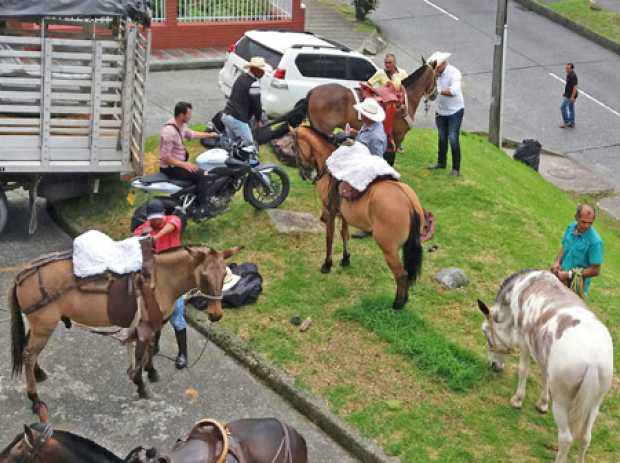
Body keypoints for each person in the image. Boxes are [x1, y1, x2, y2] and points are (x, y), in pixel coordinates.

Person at [133, 199, 190, 368]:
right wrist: (144, 236)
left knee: (177, 316)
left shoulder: (173, 221)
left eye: (158, 218)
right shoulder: (144, 228)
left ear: (163, 215)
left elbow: (173, 224)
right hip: (156, 278)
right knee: (155, 313)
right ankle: (155, 344)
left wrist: (155, 237)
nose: (156, 221)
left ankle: (183, 353)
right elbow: (136, 237)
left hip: (175, 280)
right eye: (153, 219)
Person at [159, 102, 218, 219]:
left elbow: (191, 134)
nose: (191, 116)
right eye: (189, 114)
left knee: (201, 170)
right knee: (203, 175)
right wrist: (184, 164)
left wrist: (209, 135)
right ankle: (202, 209)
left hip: (178, 165)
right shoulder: (169, 132)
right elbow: (165, 157)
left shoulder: (180, 125)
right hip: (171, 168)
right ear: (181, 115)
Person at [348, 98, 387, 239]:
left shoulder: (376, 137)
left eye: (363, 114)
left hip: (369, 170)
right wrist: (355, 134)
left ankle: (368, 226)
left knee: (364, 200)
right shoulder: (368, 126)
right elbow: (364, 138)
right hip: (361, 164)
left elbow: (376, 159)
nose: (361, 115)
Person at [551, 204, 603, 297]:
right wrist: (557, 262)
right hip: (559, 276)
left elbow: (596, 270)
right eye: (583, 222)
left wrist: (569, 274)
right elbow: (565, 246)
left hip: (575, 288)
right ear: (576, 217)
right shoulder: (570, 227)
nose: (587, 226)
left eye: (590, 223)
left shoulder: (595, 242)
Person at [426, 51, 464, 177]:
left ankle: (456, 169)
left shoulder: (454, 73)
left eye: (435, 66)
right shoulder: (434, 74)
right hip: (441, 110)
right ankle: (441, 162)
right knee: (442, 137)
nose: (434, 69)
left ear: (442, 64)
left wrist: (437, 90)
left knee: (453, 138)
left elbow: (454, 91)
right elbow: (430, 94)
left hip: (455, 111)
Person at [222, 56, 266, 146]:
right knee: (249, 144)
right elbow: (257, 104)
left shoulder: (241, 77)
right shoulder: (254, 84)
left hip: (226, 115)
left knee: (233, 144)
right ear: (255, 69)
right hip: (238, 119)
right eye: (261, 69)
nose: (263, 72)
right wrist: (258, 120)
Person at [560, 63, 578, 128]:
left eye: (568, 68)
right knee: (571, 108)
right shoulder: (569, 74)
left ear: (572, 69)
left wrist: (572, 97)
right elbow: (568, 85)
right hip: (568, 94)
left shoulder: (573, 76)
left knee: (562, 107)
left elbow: (575, 87)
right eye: (566, 68)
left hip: (570, 95)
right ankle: (572, 122)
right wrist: (565, 93)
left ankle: (566, 122)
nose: (566, 70)